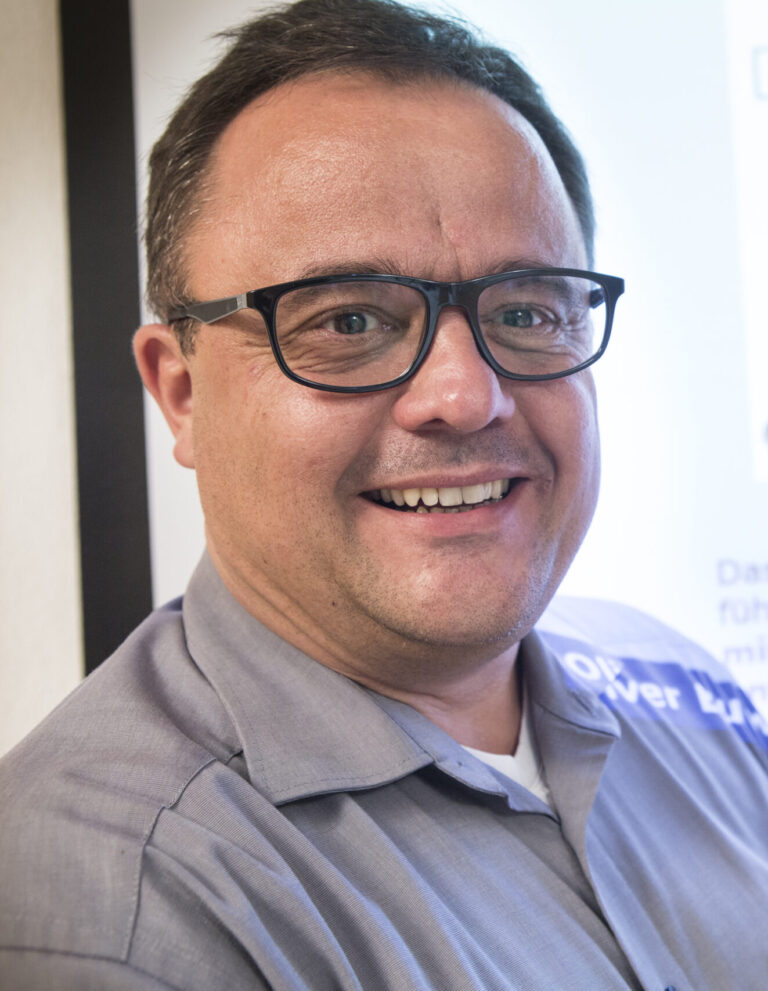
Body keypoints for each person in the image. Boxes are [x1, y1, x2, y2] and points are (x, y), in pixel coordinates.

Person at [1, 0, 767, 987]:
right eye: (350, 320)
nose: (465, 395)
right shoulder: (119, 902)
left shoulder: (698, 699)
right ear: (181, 392)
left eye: (526, 311)